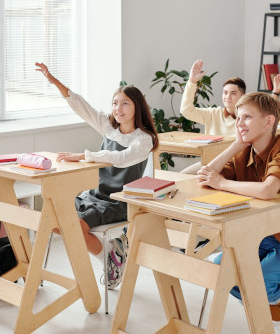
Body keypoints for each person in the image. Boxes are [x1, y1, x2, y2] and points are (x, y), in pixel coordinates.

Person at [196, 92, 280, 334]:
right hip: (258, 238)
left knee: (258, 281)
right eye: (238, 118)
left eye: (247, 117)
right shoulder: (245, 152)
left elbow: (267, 190)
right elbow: (206, 175)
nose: (240, 123)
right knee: (221, 272)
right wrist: (235, 145)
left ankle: (274, 313)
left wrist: (221, 183)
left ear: (268, 122)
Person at [35, 62, 158, 289]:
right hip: (94, 195)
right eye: (114, 103)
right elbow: (81, 106)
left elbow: (121, 159)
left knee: (77, 227)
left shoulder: (143, 139)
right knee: (51, 219)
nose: (118, 108)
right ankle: (112, 252)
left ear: (137, 107)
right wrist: (54, 82)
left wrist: (83, 155)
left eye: (124, 103)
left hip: (119, 201)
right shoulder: (110, 128)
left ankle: (109, 258)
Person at [179, 59, 246, 173]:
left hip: (235, 165)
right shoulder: (213, 113)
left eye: (233, 93)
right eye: (225, 93)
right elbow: (186, 110)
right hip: (209, 162)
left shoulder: (248, 118)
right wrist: (192, 81)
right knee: (182, 176)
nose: (227, 97)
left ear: (242, 96)